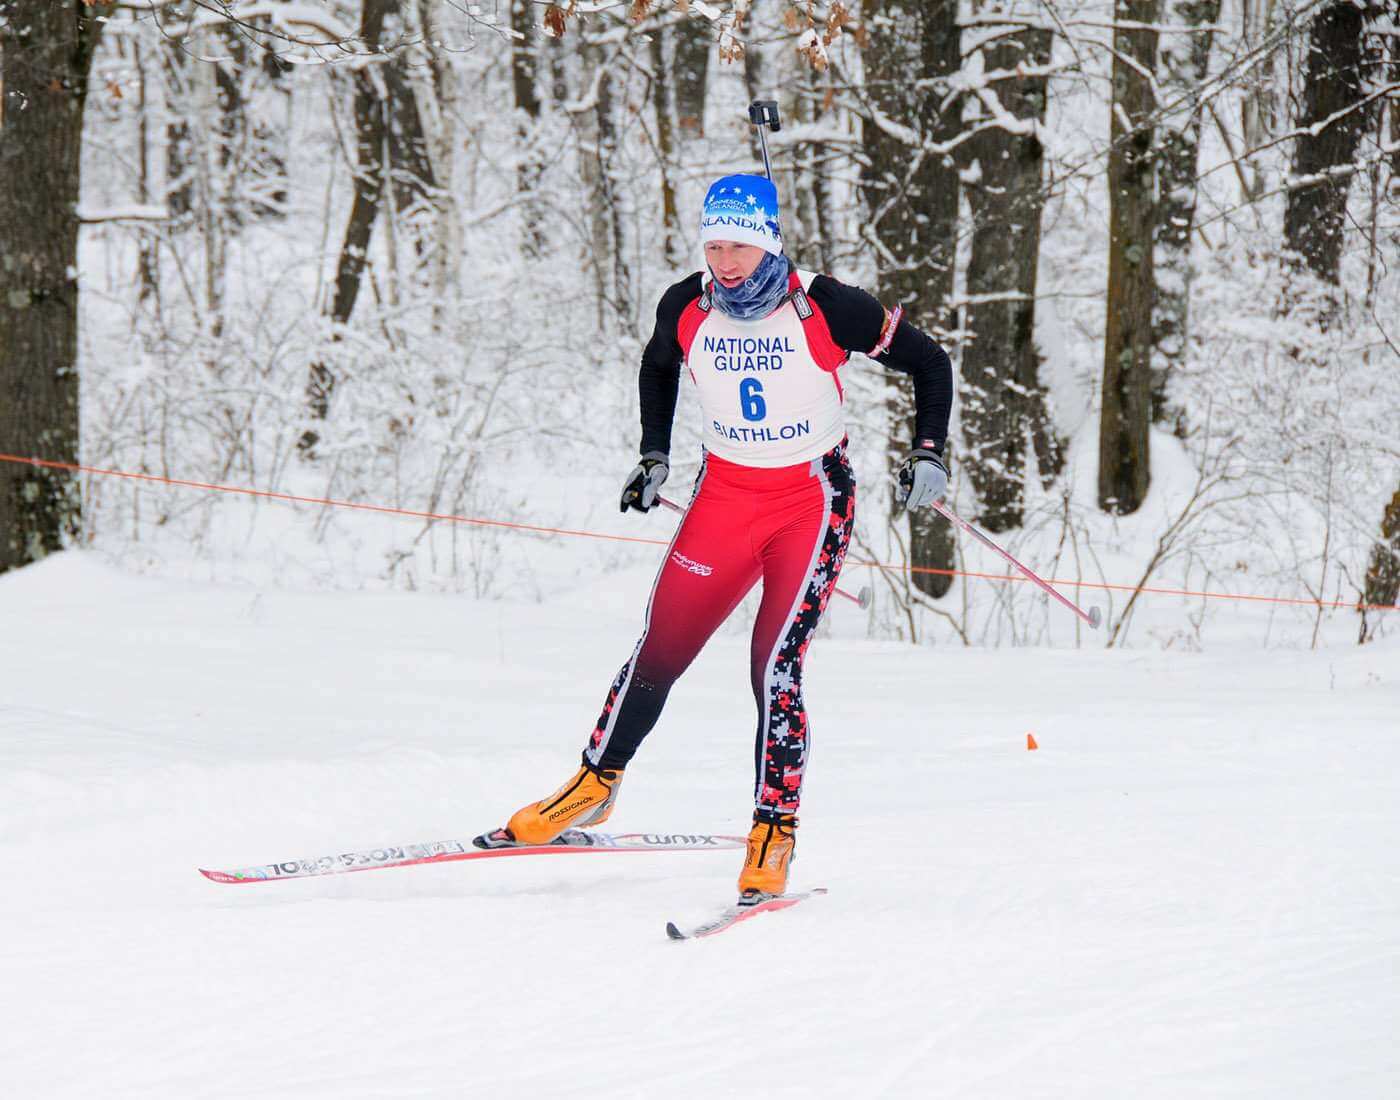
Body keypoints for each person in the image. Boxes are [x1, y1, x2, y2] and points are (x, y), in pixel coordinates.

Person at [477, 174, 953, 900]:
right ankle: (594, 784)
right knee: (659, 646)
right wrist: (653, 454)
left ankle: (773, 829)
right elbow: (657, 365)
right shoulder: (688, 304)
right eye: (714, 244)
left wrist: (928, 450)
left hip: (809, 502)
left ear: (767, 239)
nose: (725, 260)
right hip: (725, 497)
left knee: (776, 667)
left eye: (739, 243)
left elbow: (930, 361)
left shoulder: (826, 305)